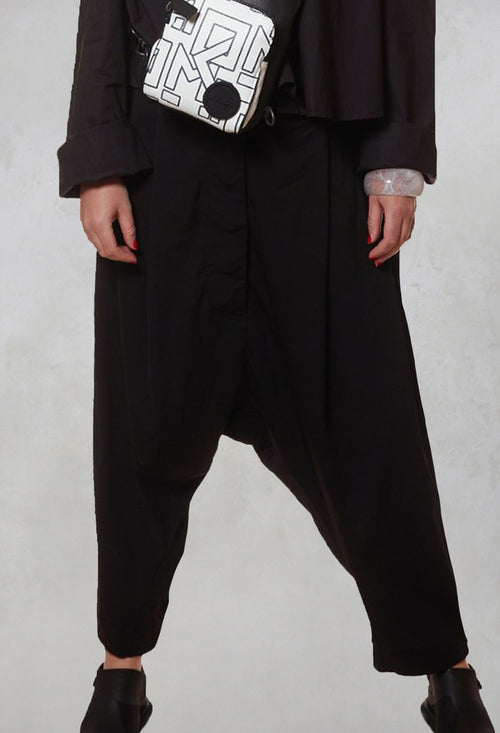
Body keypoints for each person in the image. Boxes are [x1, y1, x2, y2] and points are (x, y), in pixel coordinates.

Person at [56, 1, 495, 732]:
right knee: (147, 422)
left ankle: (447, 670)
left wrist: (398, 152)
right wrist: (100, 156)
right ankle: (119, 671)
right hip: (167, 125)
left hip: (320, 137)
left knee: (368, 416)